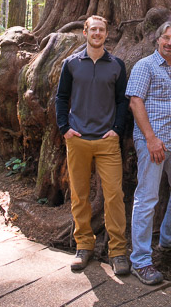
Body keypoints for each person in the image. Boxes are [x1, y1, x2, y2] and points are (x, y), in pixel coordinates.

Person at [55, 15, 130, 275]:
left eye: (102, 29)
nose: (97, 33)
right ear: (85, 32)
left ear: (106, 34)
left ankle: (118, 252)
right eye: (93, 29)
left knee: (114, 197)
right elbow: (61, 97)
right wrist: (65, 129)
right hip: (78, 141)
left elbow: (123, 102)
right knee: (80, 195)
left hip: (107, 142)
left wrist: (117, 130)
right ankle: (84, 246)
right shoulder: (71, 64)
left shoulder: (117, 65)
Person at [126, 21, 171, 286]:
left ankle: (170, 239)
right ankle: (141, 261)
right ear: (157, 40)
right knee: (147, 198)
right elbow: (135, 101)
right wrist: (151, 138)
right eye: (165, 38)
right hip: (152, 143)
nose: (169, 43)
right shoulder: (145, 66)